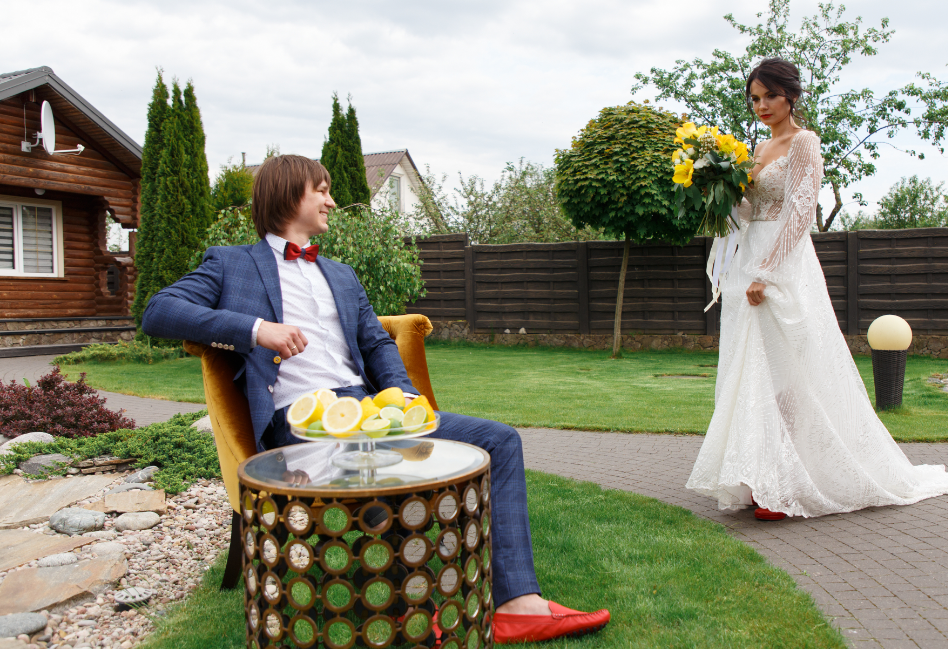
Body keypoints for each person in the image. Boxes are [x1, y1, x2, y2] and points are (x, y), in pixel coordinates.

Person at [142, 154, 610, 643]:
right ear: (287, 193)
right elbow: (160, 311)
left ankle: (518, 604)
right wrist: (258, 330)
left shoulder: (341, 274)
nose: (332, 200)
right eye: (321, 190)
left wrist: (404, 398)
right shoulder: (231, 263)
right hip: (303, 424)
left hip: (369, 412)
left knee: (499, 440)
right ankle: (413, 606)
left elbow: (376, 344)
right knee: (382, 475)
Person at [685, 58, 948, 521]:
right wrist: (717, 188)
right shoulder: (757, 149)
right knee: (751, 372)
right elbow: (748, 213)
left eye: (769, 96)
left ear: (791, 95)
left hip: (784, 264)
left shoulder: (804, 143)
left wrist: (768, 271)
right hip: (749, 261)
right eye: (755, 98)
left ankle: (789, 482)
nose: (761, 105)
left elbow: (801, 212)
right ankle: (759, 475)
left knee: (791, 372)